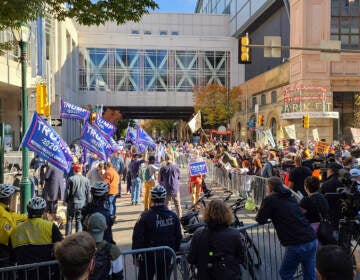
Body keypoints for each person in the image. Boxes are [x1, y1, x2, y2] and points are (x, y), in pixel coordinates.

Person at [256, 176, 317, 280]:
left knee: (286, 273)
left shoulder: (270, 199)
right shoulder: (290, 196)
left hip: (297, 242)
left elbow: (260, 219)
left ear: (270, 188)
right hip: (311, 239)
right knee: (309, 273)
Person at [132, 185, 182, 280]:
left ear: (152, 199)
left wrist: (135, 255)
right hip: (166, 255)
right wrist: (175, 252)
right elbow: (178, 236)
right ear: (164, 199)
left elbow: (137, 237)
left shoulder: (145, 216)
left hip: (148, 256)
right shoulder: (173, 216)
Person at [187, 199, 245, 280]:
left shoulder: (198, 234)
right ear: (226, 214)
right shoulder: (235, 234)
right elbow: (241, 258)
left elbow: (191, 259)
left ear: (207, 214)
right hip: (229, 276)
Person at [9, 197, 63, 264]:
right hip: (47, 270)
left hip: (23, 272)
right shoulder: (51, 226)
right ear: (43, 212)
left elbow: (11, 256)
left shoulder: (15, 230)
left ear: (28, 211)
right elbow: (62, 247)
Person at [87, 212, 123, 280]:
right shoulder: (113, 250)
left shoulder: (79, 249)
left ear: (88, 227)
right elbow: (118, 275)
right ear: (105, 227)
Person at [0, 184, 27, 267]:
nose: (11, 198)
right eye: (11, 196)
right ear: (7, 198)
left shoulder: (5, 210)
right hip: (3, 249)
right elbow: (6, 234)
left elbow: (16, 216)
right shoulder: (5, 214)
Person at [65, 164, 91, 235]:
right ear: (81, 170)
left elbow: (67, 192)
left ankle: (68, 236)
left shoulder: (71, 179)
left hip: (72, 202)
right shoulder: (86, 180)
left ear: (74, 170)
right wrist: (88, 202)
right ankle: (78, 236)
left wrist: (65, 201)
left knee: (69, 219)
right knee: (79, 220)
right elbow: (88, 193)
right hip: (82, 203)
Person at [159, 153, 182, 217]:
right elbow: (179, 177)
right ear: (172, 159)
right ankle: (179, 218)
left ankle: (169, 218)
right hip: (175, 188)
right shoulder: (176, 167)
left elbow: (161, 180)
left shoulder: (163, 168)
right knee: (177, 205)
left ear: (165, 160)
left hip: (167, 188)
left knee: (167, 205)